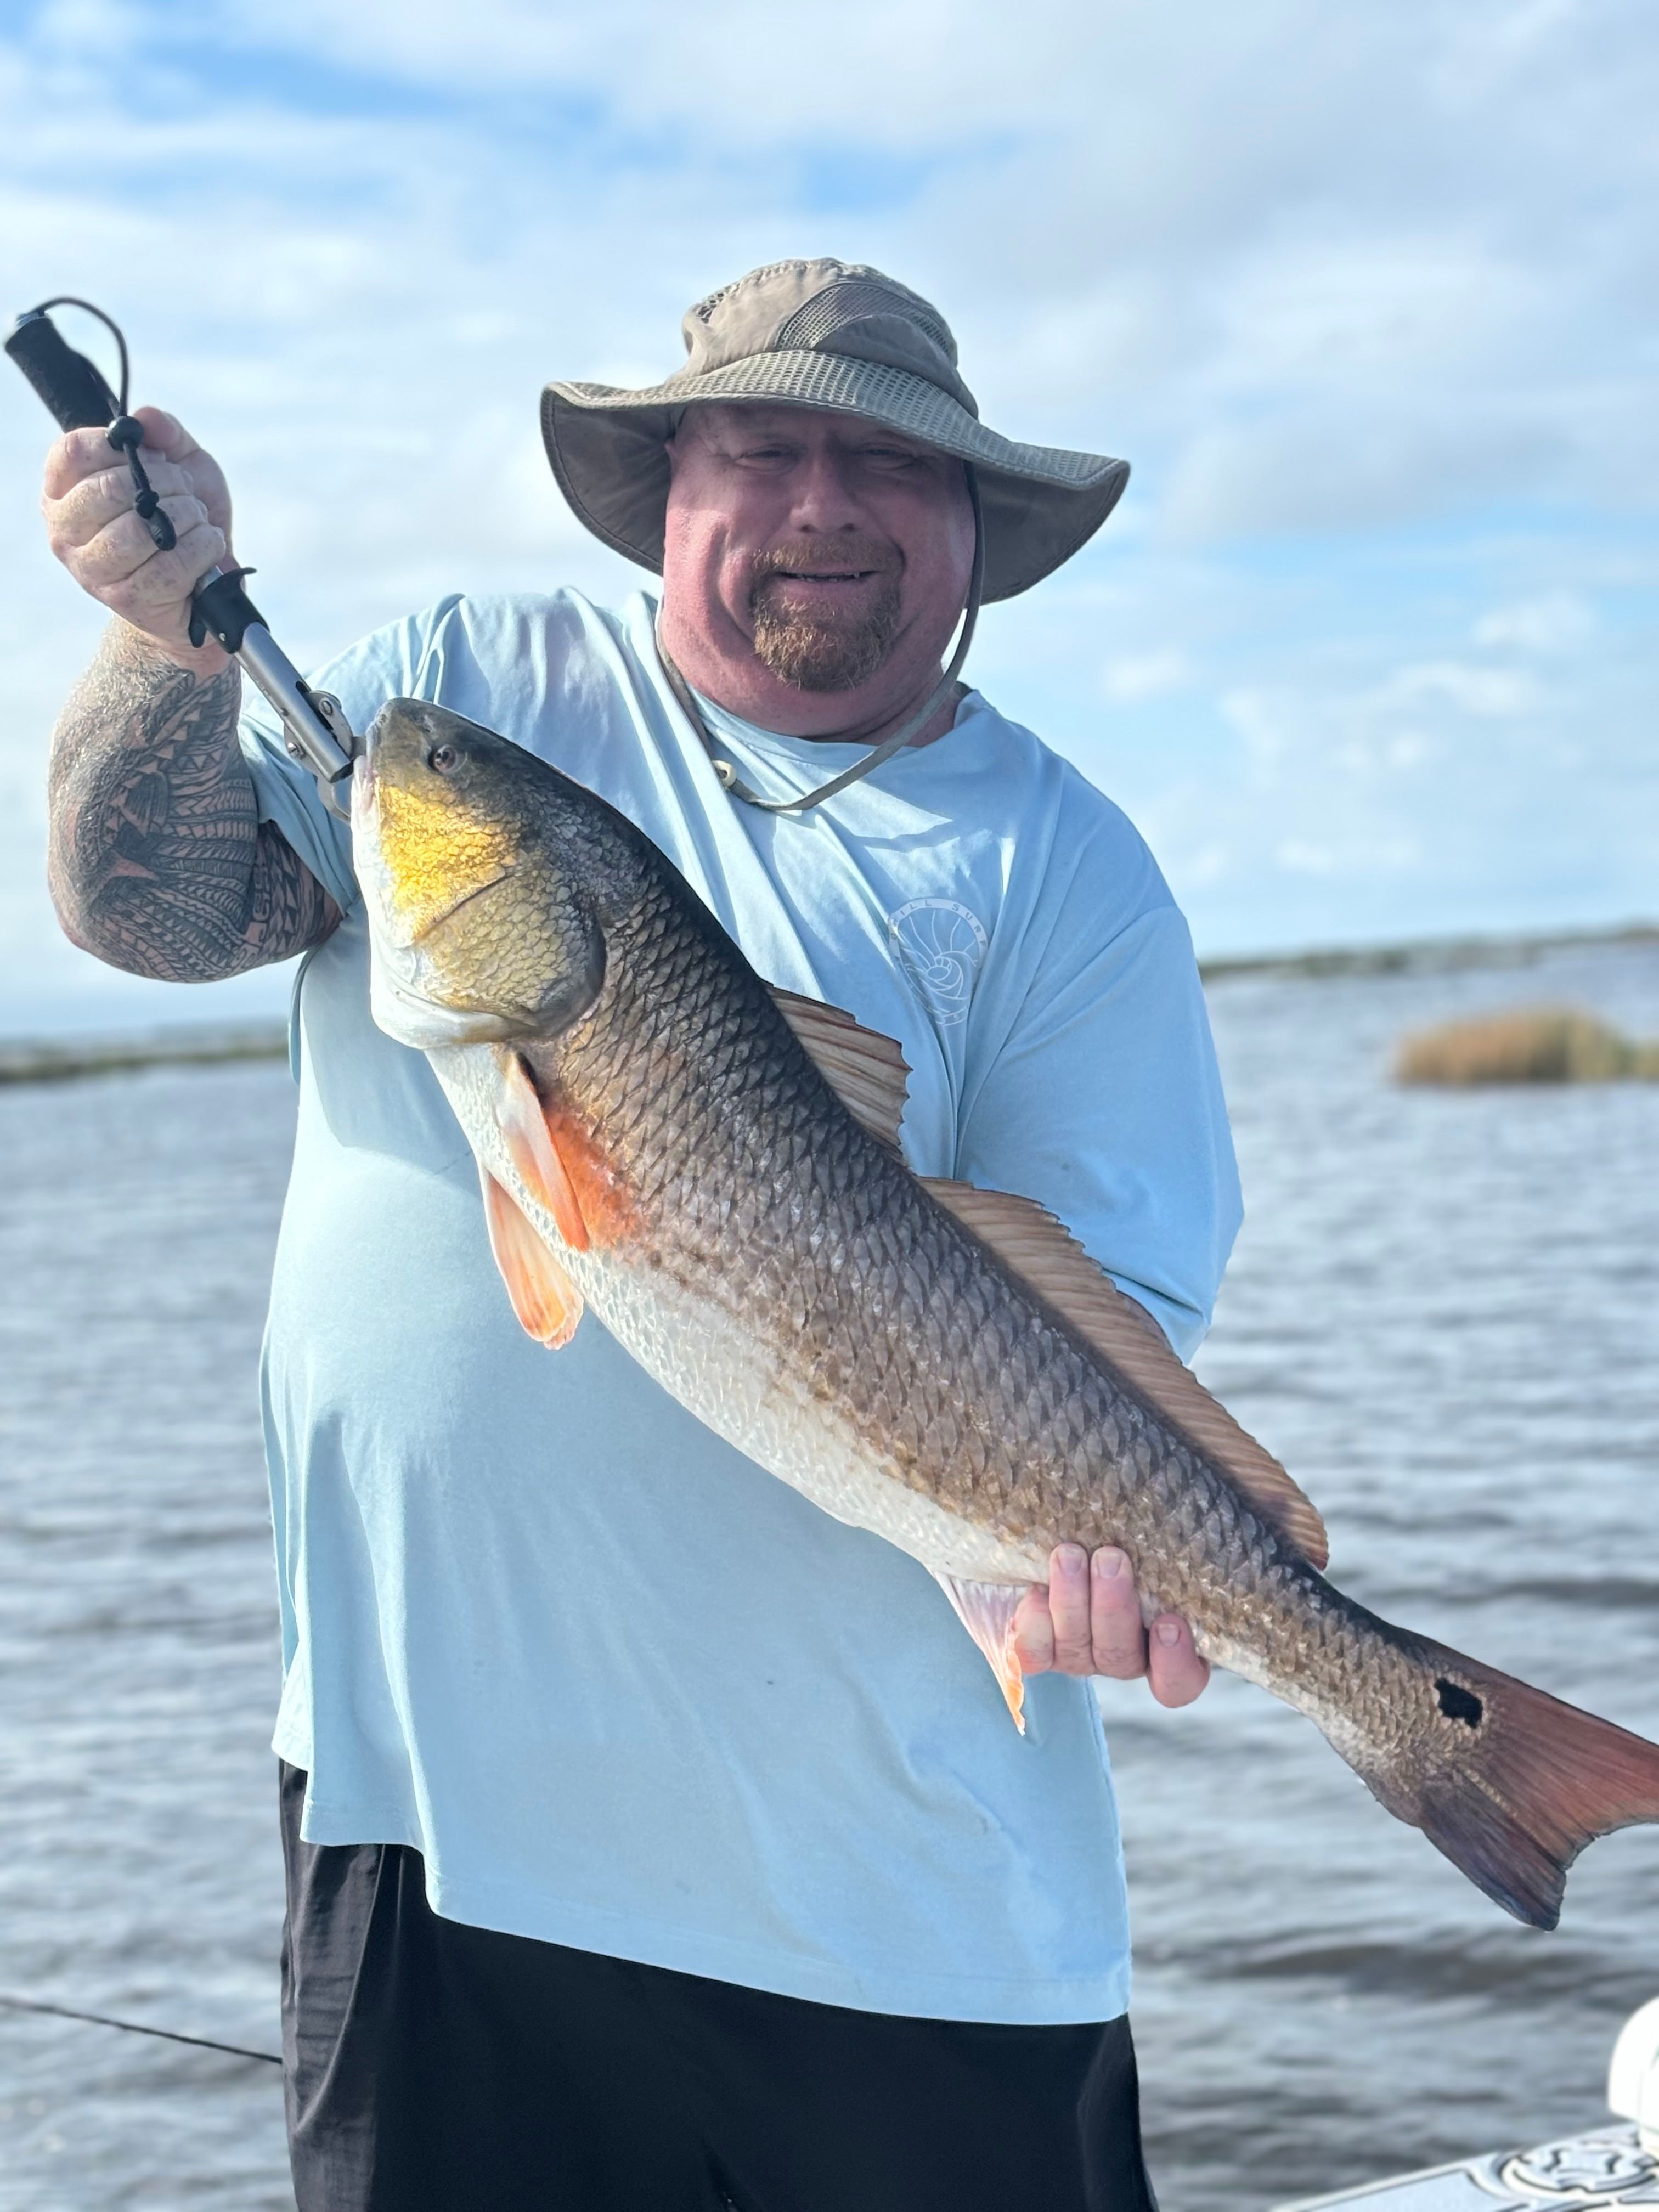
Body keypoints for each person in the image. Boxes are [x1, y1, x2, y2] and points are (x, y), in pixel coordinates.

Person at [40, 258, 1240, 2212]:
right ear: (668, 490)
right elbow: (153, 914)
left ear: (975, 528)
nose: (824, 501)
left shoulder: (1068, 865)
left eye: (889, 464)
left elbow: (1101, 1312)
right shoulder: (465, 694)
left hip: (903, 1908)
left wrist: (1113, 1559)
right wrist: (163, 642)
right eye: (765, 447)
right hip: (435, 1838)